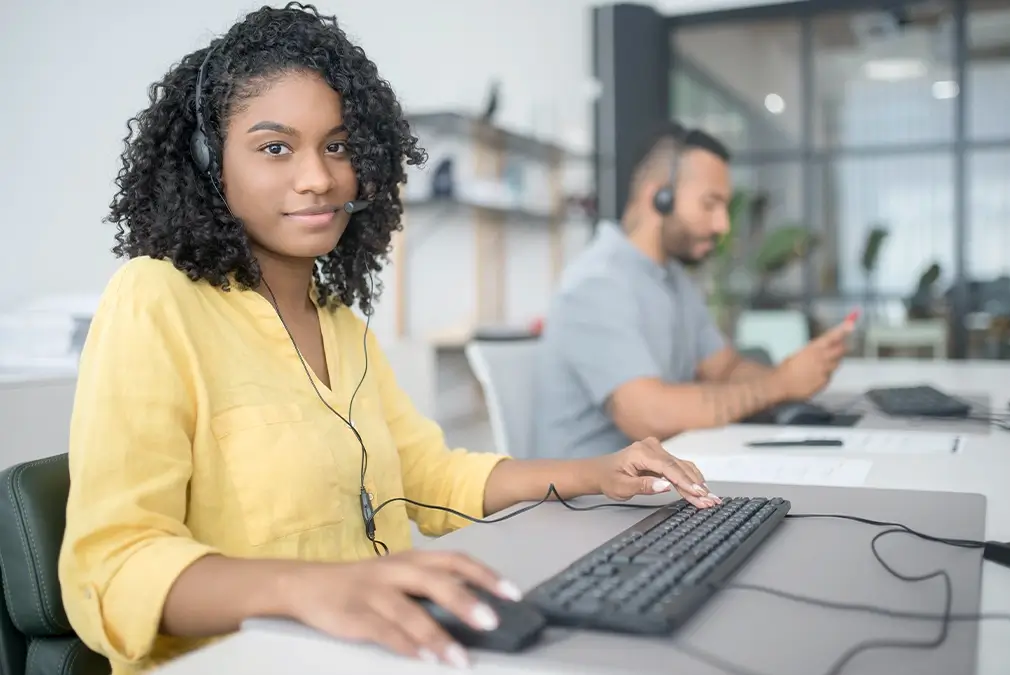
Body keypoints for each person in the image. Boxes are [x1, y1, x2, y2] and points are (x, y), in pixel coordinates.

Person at [57, 7, 720, 674]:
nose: (318, 177)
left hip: (373, 653)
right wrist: (311, 590)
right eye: (275, 147)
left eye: (338, 146)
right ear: (210, 163)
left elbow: (429, 476)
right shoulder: (156, 299)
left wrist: (593, 473)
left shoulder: (341, 324)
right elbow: (113, 566)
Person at [531, 124, 853, 460]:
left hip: (664, 473)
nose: (722, 225)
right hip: (591, 490)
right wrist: (780, 385)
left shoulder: (673, 280)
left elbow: (725, 369)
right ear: (660, 198)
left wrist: (800, 372)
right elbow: (648, 416)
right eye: (710, 204)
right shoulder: (596, 284)